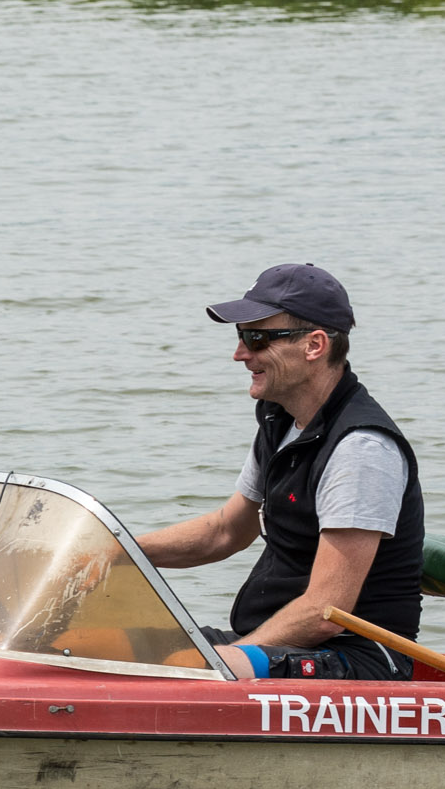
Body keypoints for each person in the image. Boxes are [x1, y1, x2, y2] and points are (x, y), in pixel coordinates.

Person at [134, 263, 423, 681]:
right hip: (274, 640)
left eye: (257, 338)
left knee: (189, 667)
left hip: (355, 658)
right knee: (90, 641)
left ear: (314, 345)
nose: (240, 354)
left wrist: (227, 658)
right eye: (240, 337)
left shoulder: (361, 449)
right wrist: (111, 552)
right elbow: (226, 531)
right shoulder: (280, 419)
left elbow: (327, 612)